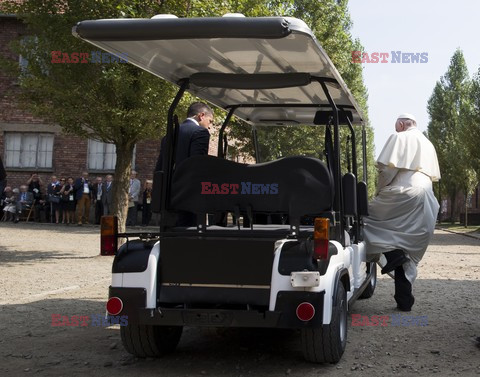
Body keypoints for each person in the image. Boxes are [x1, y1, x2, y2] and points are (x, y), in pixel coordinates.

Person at [364, 113, 441, 312]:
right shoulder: (428, 143)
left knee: (363, 220)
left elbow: (387, 172)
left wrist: (379, 192)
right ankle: (404, 298)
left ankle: (393, 253)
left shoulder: (399, 137)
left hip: (403, 192)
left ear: (400, 124)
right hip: (427, 198)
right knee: (406, 249)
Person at [155, 102, 213, 226]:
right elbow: (197, 166)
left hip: (168, 198)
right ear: (201, 115)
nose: (209, 126)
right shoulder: (200, 133)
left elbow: (160, 167)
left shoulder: (168, 135)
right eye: (210, 121)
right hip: (189, 199)